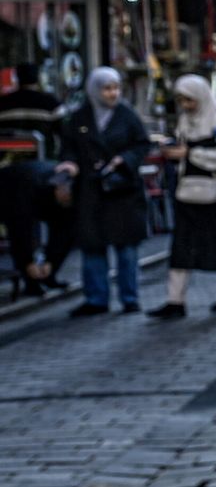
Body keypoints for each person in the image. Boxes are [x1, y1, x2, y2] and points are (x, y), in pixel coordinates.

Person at [56, 67, 151, 317]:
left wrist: (124, 160)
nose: (112, 94)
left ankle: (129, 297)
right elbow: (69, 148)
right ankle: (96, 298)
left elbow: (142, 144)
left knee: (126, 249)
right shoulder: (80, 118)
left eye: (116, 88)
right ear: (95, 90)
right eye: (107, 89)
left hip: (122, 190)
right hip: (91, 191)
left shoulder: (127, 116)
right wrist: (70, 165)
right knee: (93, 247)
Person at [148, 75, 216, 319]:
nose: (186, 106)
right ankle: (175, 300)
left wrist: (190, 153)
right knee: (182, 245)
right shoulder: (184, 120)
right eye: (181, 100)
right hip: (187, 191)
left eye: (189, 100)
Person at [0, 160, 73, 295]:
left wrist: (50, 261)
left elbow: (63, 232)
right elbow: (20, 230)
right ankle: (31, 282)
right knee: (22, 234)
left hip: (36, 192)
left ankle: (47, 276)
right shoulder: (29, 187)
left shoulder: (68, 194)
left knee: (65, 230)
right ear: (58, 188)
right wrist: (28, 262)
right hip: (10, 190)